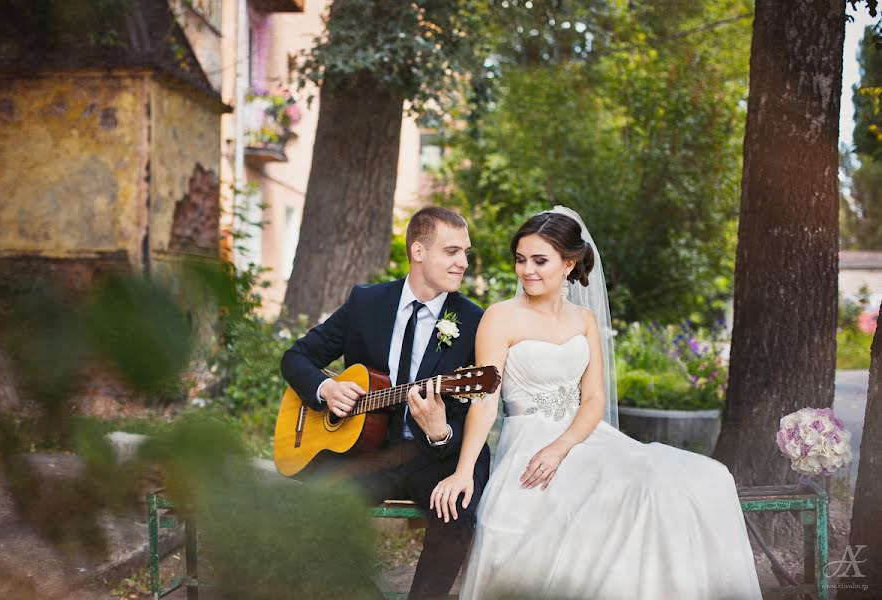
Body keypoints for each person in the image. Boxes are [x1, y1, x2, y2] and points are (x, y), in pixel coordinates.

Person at [430, 206, 762, 599]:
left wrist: (562, 447)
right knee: (626, 496)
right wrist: (464, 471)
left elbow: (593, 398)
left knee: (700, 479)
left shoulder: (584, 320)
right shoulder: (500, 318)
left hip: (583, 438)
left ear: (569, 263)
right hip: (528, 445)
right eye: (521, 260)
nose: (527, 271)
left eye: (540, 260)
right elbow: (485, 403)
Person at [280, 206, 490, 600]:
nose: (463, 262)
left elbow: (479, 410)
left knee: (456, 517)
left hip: (438, 454)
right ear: (418, 251)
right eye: (452, 251)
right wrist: (325, 391)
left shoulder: (475, 321)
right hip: (370, 451)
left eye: (465, 252)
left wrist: (441, 432)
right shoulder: (367, 303)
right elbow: (296, 357)